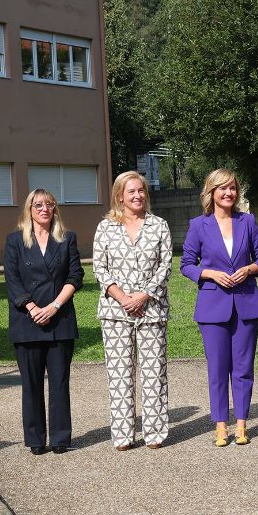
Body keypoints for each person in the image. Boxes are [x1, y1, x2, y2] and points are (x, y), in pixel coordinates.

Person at [181, 168, 258, 447]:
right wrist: (209, 274)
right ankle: (221, 426)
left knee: (243, 368)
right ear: (211, 192)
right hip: (212, 307)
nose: (229, 192)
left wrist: (250, 269)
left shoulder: (248, 221)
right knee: (218, 368)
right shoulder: (199, 225)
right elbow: (186, 265)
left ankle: (241, 425)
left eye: (232, 188)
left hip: (246, 304)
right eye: (222, 188)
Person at [93, 171, 172, 451]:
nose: (137, 196)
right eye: (131, 192)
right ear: (120, 196)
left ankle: (154, 433)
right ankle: (124, 435)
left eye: (141, 191)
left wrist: (144, 295)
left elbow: (166, 265)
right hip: (115, 312)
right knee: (120, 374)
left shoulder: (159, 225)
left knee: (154, 373)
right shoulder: (106, 227)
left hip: (151, 310)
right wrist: (123, 297)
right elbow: (99, 268)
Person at [4, 189, 84, 455]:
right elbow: (12, 279)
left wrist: (53, 306)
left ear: (55, 209)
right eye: (38, 205)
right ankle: (36, 439)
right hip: (27, 321)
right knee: (31, 384)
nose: (44, 209)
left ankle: (60, 438)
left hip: (59, 320)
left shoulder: (66, 239)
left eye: (49, 204)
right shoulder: (15, 241)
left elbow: (75, 276)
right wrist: (32, 307)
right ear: (29, 209)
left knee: (59, 383)